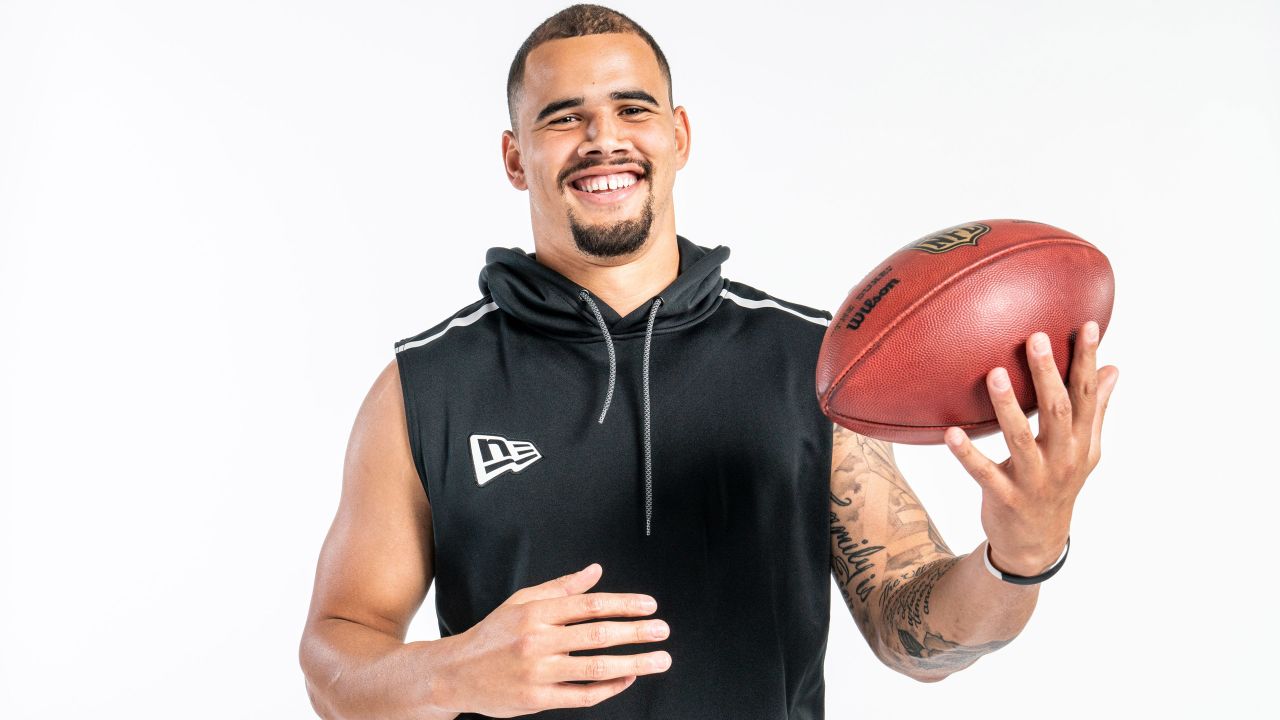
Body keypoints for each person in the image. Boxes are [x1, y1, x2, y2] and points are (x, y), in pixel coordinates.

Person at [297, 5, 1120, 719]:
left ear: (678, 135)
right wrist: (451, 674)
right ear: (516, 157)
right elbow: (334, 662)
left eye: (632, 108)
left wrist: (1021, 555)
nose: (603, 139)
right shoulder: (426, 387)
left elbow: (914, 637)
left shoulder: (810, 363)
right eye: (562, 118)